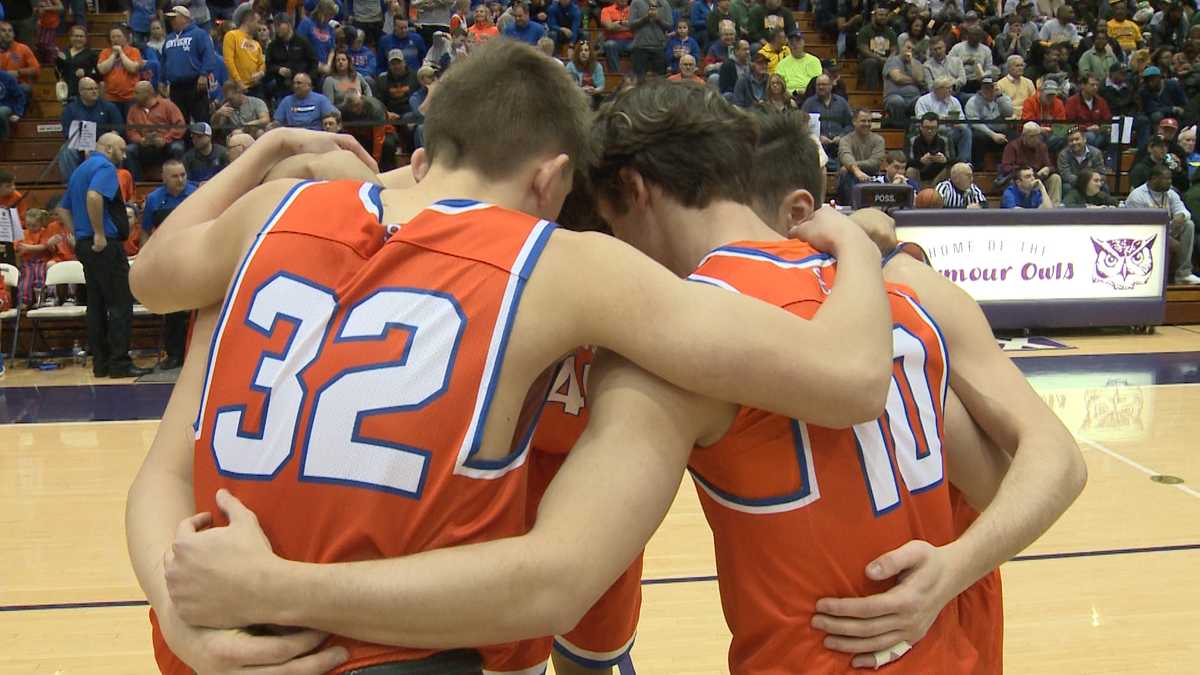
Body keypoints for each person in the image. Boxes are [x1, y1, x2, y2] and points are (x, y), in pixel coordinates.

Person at [158, 90, 1084, 675]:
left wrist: (258, 587)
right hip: (950, 644)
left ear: (629, 193)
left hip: (448, 613)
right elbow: (1007, 470)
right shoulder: (902, 296)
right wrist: (857, 244)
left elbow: (559, 570)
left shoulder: (661, 352)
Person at [56, 133, 149, 379]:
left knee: (96, 306)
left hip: (86, 247)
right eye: (121, 149)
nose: (125, 154)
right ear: (108, 148)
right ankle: (119, 363)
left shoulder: (80, 170)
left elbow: (62, 208)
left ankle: (101, 364)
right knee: (120, 304)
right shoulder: (105, 166)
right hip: (104, 246)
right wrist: (98, 233)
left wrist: (79, 233)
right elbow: (94, 196)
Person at [140, 159, 198, 370]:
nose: (181, 179)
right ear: (164, 178)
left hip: (194, 257)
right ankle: (174, 355)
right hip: (167, 261)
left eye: (183, 174)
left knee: (195, 309)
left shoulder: (196, 195)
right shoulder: (154, 200)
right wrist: (145, 258)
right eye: (175, 176)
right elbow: (146, 231)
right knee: (173, 309)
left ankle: (195, 354)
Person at [1125, 164, 1200, 284]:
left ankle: (1183, 274)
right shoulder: (1137, 196)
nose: (1170, 182)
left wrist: (1181, 215)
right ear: (1154, 179)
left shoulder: (1171, 193)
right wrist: (1167, 239)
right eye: (1166, 179)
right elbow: (1140, 226)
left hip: (1167, 230)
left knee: (1188, 224)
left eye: (1170, 179)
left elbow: (1184, 210)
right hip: (1144, 235)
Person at [56, 77, 122, 182]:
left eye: (96, 88)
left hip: (103, 144)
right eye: (90, 89)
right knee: (66, 150)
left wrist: (102, 144)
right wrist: (85, 145)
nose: (94, 91)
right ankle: (74, 183)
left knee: (116, 147)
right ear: (81, 92)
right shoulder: (70, 109)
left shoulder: (109, 107)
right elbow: (68, 132)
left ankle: (112, 182)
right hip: (79, 145)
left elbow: (118, 129)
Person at [125, 80, 189, 182]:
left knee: (177, 148)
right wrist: (141, 140)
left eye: (137, 93)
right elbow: (131, 131)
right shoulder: (133, 109)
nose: (134, 96)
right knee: (129, 150)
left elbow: (180, 125)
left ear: (148, 93)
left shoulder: (167, 105)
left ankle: (178, 181)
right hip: (144, 144)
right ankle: (137, 184)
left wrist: (165, 139)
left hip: (166, 143)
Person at [162, 6, 217, 123]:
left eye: (174, 18)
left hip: (196, 83)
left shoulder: (199, 34)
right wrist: (164, 80)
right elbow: (164, 60)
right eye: (170, 19)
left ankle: (205, 141)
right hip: (175, 86)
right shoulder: (169, 38)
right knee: (179, 121)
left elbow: (208, 55)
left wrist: (203, 74)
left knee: (201, 118)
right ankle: (184, 142)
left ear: (185, 18)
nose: (171, 21)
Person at [1000, 122, 1061, 203]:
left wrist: (1048, 169)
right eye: (1032, 137)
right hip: (1023, 179)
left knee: (1055, 178)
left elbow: (1051, 166)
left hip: (1038, 178)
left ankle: (1053, 209)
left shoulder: (1042, 146)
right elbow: (1006, 167)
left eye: (1037, 136)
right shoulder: (1012, 146)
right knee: (1015, 181)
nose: (1036, 139)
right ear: (1023, 136)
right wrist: (1025, 171)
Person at [915, 76, 971, 164]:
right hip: (932, 132)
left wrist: (958, 124)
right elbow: (919, 119)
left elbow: (962, 119)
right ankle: (950, 163)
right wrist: (940, 119)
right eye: (948, 88)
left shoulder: (954, 101)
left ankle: (963, 163)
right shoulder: (923, 100)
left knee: (966, 131)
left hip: (952, 129)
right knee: (945, 132)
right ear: (938, 89)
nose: (951, 90)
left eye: (951, 88)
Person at [800, 72, 852, 162]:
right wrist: (817, 136)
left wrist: (841, 136)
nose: (820, 87)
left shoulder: (842, 102)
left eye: (824, 84)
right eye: (818, 85)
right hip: (817, 146)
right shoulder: (808, 103)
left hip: (840, 145)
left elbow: (850, 124)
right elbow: (802, 126)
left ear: (831, 86)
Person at [836, 108, 885, 203]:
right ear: (854, 122)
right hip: (850, 178)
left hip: (872, 176)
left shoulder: (879, 140)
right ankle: (852, 207)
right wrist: (855, 171)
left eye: (869, 121)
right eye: (863, 121)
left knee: (846, 169)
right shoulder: (845, 140)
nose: (867, 124)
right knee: (846, 174)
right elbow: (845, 156)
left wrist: (853, 166)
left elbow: (875, 162)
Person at [265, 13, 317, 103]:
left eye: (279, 25)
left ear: (288, 24)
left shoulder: (302, 42)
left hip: (302, 85)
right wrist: (278, 69)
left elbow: (313, 62)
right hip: (281, 86)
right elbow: (268, 65)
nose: (276, 29)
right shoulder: (272, 46)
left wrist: (309, 80)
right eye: (275, 26)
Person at [882, 38, 924, 129]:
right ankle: (900, 131)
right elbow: (898, 78)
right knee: (897, 101)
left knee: (921, 101)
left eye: (912, 49)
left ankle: (915, 131)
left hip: (913, 98)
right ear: (901, 48)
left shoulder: (917, 63)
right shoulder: (892, 61)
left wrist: (912, 61)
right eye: (908, 48)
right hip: (893, 96)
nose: (910, 51)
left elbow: (920, 78)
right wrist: (914, 80)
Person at [222, 8, 265, 97]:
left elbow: (262, 63)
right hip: (238, 88)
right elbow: (229, 61)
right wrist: (239, 82)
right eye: (258, 22)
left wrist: (260, 73)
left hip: (256, 88)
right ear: (249, 21)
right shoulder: (232, 35)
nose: (259, 26)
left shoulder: (256, 43)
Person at [273, 72, 338, 129]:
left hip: (315, 135)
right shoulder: (286, 101)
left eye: (299, 83)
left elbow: (336, 115)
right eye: (294, 83)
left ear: (309, 86)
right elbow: (277, 121)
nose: (295, 86)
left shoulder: (321, 100)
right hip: (293, 136)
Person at [628, 0, 672, 80]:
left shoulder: (664, 3)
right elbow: (631, 25)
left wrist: (658, 19)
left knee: (660, 80)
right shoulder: (636, 2)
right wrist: (646, 17)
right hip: (640, 47)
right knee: (639, 80)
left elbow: (670, 26)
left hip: (659, 47)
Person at [54, 24, 99, 101]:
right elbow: (57, 72)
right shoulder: (63, 54)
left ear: (86, 39)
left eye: (81, 36)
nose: (78, 38)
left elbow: (98, 74)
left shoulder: (92, 54)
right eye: (76, 36)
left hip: (84, 95)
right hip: (66, 94)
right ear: (70, 37)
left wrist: (85, 73)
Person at [856, 7, 896, 90]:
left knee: (895, 63)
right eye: (880, 15)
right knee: (872, 62)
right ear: (874, 16)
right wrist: (880, 58)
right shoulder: (865, 31)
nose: (883, 17)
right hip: (866, 62)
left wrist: (889, 59)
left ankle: (891, 93)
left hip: (886, 61)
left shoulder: (890, 32)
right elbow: (864, 51)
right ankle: (872, 94)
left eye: (885, 15)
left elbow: (894, 50)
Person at [908, 111, 950, 186]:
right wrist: (921, 161)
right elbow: (907, 162)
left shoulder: (944, 140)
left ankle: (943, 193)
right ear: (920, 127)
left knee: (950, 169)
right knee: (911, 170)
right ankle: (915, 193)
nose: (930, 131)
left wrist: (945, 160)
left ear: (937, 128)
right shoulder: (913, 140)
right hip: (919, 175)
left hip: (938, 176)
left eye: (933, 128)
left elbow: (955, 160)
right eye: (927, 127)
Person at [775, 29, 821, 96]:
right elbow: (779, 85)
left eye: (798, 41)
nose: (795, 44)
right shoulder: (782, 64)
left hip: (809, 95)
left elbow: (817, 83)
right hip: (789, 97)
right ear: (788, 44)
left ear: (803, 42)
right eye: (791, 42)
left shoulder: (814, 61)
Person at [0, 20, 38, 98]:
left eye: (10, 31)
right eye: (3, 31)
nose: (7, 33)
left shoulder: (23, 48)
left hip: (19, 85)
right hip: (1, 86)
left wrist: (18, 72)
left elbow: (36, 69)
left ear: (13, 34)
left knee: (24, 88)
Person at [600, 0, 634, 73]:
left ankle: (635, 77)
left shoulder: (633, 10)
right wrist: (625, 23)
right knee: (609, 45)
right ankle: (616, 75)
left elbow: (637, 26)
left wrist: (616, 24)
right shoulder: (606, 10)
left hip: (630, 41)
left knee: (639, 45)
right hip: (613, 41)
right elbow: (609, 27)